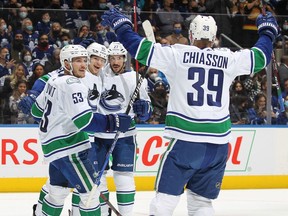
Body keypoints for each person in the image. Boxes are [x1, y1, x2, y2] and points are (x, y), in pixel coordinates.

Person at [101, 8, 278, 215]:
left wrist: (122, 25)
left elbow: (138, 48)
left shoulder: (177, 54)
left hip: (186, 141)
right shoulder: (228, 58)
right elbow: (261, 56)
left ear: (191, 35)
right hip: (218, 145)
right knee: (201, 203)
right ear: (214, 37)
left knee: (164, 202)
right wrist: (268, 32)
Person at [30, 44, 132, 216]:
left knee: (56, 192)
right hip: (70, 147)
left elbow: (36, 111)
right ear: (66, 63)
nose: (84, 64)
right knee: (90, 196)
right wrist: (113, 121)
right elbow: (85, 121)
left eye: (85, 60)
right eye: (78, 61)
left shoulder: (54, 81)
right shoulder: (72, 84)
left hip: (53, 148)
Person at [93, 41, 152, 216]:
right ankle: (103, 213)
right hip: (100, 134)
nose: (116, 61)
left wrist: (145, 109)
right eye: (112, 58)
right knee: (99, 177)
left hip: (125, 135)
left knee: (124, 177)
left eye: (119, 57)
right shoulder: (99, 75)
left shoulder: (136, 78)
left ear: (124, 59)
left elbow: (148, 108)